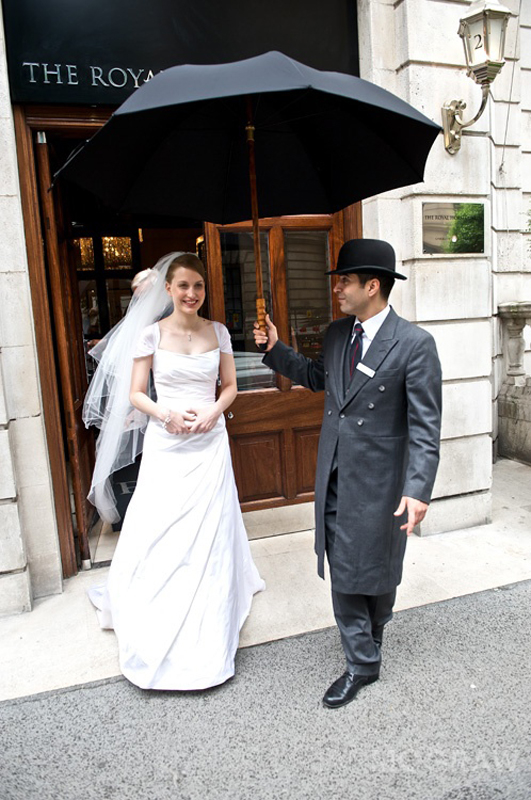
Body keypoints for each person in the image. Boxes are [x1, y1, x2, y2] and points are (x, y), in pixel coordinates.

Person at [254, 238, 442, 709]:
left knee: (378, 565)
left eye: (345, 281)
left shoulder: (416, 345)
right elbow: (320, 378)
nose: (337, 289)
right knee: (344, 564)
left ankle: (374, 629)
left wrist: (419, 489)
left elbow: (425, 426)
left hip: (383, 481)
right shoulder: (339, 333)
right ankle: (362, 661)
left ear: (372, 286)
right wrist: (277, 348)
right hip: (335, 471)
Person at [87, 252, 265, 691]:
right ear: (168, 289)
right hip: (168, 442)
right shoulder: (150, 335)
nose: (191, 294)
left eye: (198, 286)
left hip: (209, 442)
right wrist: (165, 414)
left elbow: (230, 387)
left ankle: (211, 606)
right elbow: (135, 394)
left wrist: (214, 413)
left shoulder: (218, 331)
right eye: (183, 285)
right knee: (163, 524)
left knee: (211, 523)